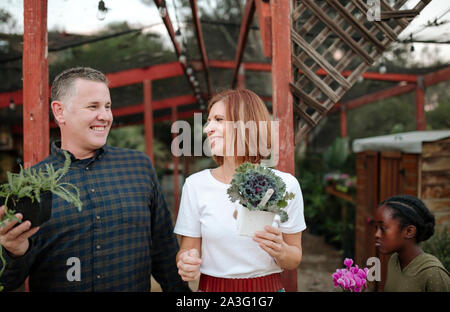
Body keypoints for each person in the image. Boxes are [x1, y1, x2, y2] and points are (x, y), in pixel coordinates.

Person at [0, 67, 190, 292]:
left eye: (107, 106)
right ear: (60, 111)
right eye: (93, 106)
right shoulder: (29, 185)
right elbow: (8, 282)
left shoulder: (138, 167)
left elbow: (165, 253)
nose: (105, 116)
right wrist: (12, 251)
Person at [174, 89, 306, 292]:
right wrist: (186, 261)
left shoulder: (285, 185)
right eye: (209, 121)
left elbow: (294, 258)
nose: (208, 128)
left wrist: (281, 250)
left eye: (219, 119)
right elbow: (187, 249)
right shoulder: (195, 185)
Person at [374, 194, 450, 292]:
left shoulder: (433, 273)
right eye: (376, 228)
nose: (376, 234)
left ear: (409, 231)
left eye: (383, 228)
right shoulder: (394, 261)